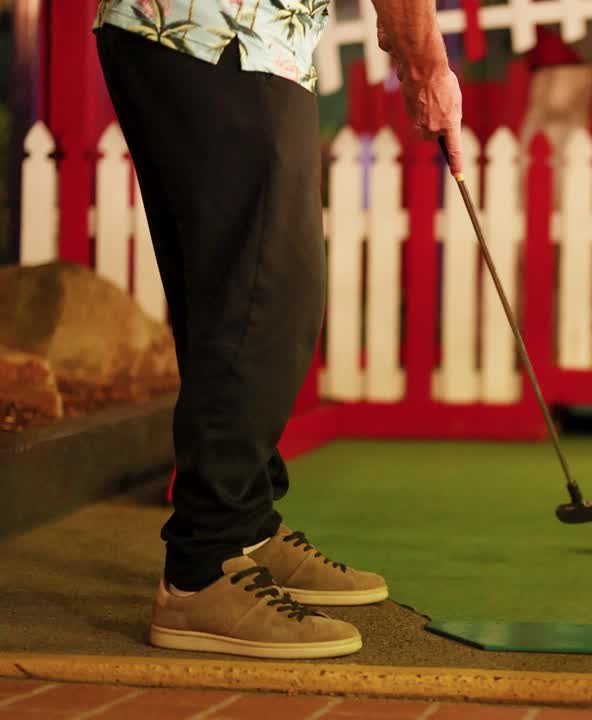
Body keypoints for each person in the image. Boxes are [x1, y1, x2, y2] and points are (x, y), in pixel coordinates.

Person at [92, 0, 462, 659]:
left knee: (228, 291)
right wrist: (426, 64)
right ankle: (203, 571)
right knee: (268, 296)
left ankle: (245, 528)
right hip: (225, 35)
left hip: (184, 32)